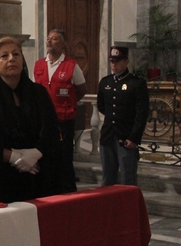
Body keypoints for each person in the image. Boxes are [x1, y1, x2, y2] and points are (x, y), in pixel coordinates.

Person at [0, 36, 61, 203]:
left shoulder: (39, 93)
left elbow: (51, 127)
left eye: (16, 54)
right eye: (4, 56)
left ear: (22, 60)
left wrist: (36, 153)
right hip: (2, 176)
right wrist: (14, 157)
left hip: (38, 171)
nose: (11, 59)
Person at [33, 30, 86, 193]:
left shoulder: (71, 66)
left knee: (64, 156)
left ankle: (67, 188)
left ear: (62, 44)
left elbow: (81, 90)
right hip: (43, 119)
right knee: (46, 154)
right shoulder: (39, 64)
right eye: (48, 38)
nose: (49, 41)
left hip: (63, 119)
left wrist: (67, 103)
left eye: (54, 39)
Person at [97, 46, 149, 186]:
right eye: (112, 61)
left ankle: (129, 207)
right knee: (107, 177)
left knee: (128, 178)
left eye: (118, 61)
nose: (114, 64)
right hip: (108, 136)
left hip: (126, 136)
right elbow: (102, 106)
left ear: (126, 61)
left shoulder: (136, 83)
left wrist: (134, 137)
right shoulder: (105, 82)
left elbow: (142, 113)